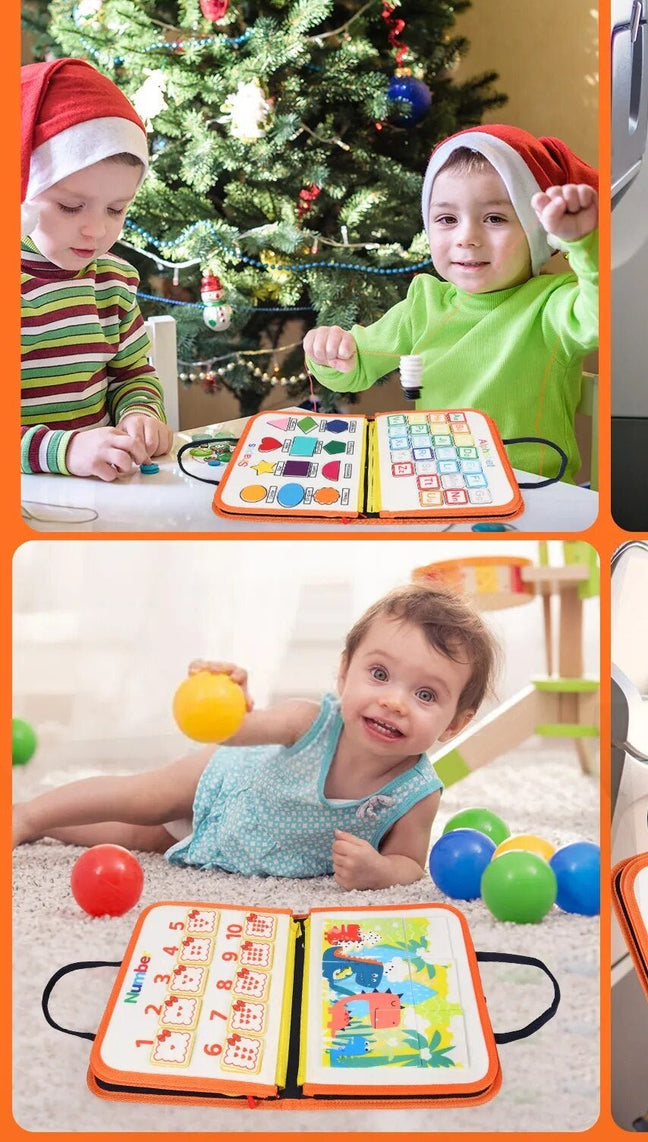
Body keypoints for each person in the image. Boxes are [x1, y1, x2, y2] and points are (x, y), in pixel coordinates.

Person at [12, 585, 498, 890]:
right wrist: (234, 704)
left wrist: (379, 871)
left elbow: (409, 863)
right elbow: (240, 730)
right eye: (378, 673)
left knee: (136, 837)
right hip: (223, 781)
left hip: (237, 842)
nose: (394, 701)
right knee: (141, 798)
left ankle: (44, 826)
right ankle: (26, 814)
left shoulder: (417, 792)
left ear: (455, 723)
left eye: (426, 695)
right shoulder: (310, 721)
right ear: (345, 671)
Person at [304, 124, 598, 482]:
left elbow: (598, 314)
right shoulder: (423, 304)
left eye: (495, 218)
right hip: (437, 483)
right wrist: (328, 350)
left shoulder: (554, 305)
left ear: (538, 233)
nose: (467, 238)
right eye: (446, 219)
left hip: (533, 495)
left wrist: (583, 244)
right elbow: (353, 367)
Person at [21, 58, 172, 480]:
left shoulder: (113, 282)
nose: (97, 229)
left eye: (116, 209)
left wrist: (139, 414)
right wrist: (63, 452)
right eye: (71, 206)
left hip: (99, 497)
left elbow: (133, 375)